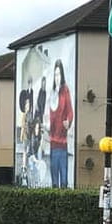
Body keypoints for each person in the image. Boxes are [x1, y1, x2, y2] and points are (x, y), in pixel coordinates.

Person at [48, 59, 73, 188]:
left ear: (62, 75)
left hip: (62, 144)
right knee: (54, 181)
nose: (57, 77)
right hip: (53, 144)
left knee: (63, 180)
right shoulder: (52, 93)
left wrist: (68, 121)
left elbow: (70, 111)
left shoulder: (65, 90)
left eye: (59, 74)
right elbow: (48, 115)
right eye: (55, 74)